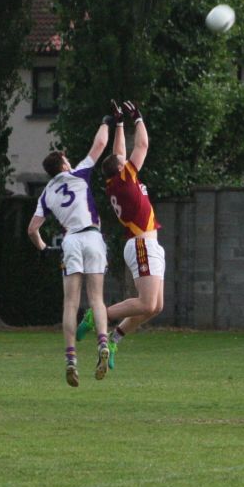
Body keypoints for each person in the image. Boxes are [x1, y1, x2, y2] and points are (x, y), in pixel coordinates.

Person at [26, 116, 116, 387]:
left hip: (71, 242)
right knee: (97, 299)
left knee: (70, 304)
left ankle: (70, 359)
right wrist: (106, 121)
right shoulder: (79, 173)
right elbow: (101, 143)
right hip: (92, 236)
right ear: (64, 164)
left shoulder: (46, 194)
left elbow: (32, 229)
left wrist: (42, 248)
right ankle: (102, 342)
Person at [76, 100, 165, 368]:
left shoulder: (115, 180)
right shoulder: (125, 179)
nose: (125, 159)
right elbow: (142, 146)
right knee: (146, 302)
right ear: (120, 167)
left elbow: (119, 152)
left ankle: (114, 339)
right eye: (122, 161)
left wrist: (119, 124)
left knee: (155, 306)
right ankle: (96, 315)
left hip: (147, 243)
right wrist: (138, 119)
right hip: (141, 243)